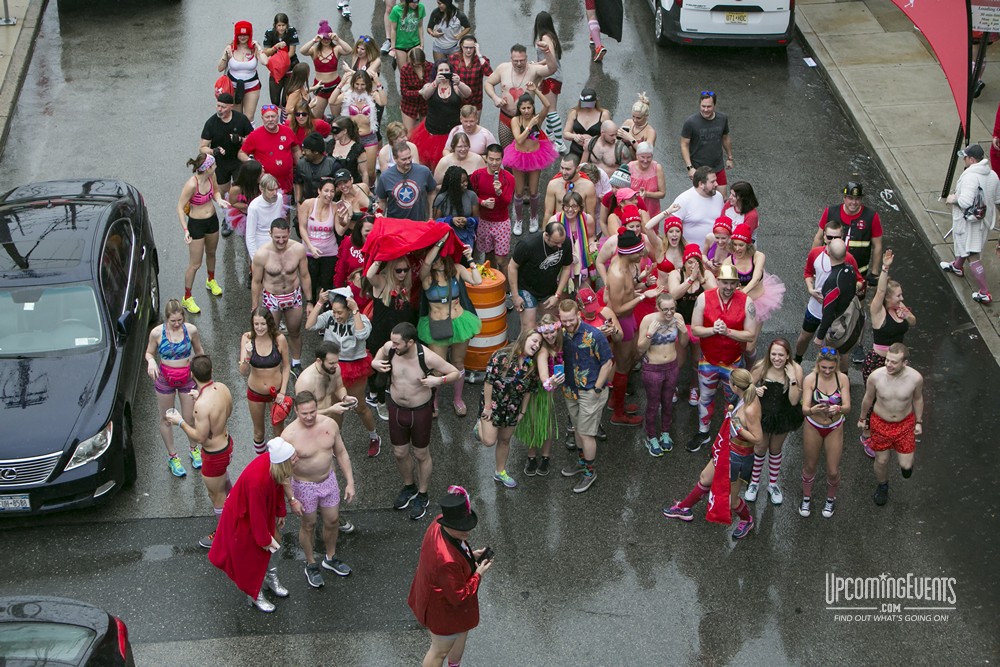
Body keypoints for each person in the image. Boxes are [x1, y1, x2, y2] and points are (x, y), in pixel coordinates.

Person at [372, 322, 461, 520]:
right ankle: (409, 486)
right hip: (396, 408)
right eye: (392, 342)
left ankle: (422, 494)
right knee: (399, 452)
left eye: (397, 343)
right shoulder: (391, 348)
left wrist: (438, 381)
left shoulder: (426, 356)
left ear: (410, 342)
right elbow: (380, 351)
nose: (392, 346)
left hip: (420, 411)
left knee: (421, 454)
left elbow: (455, 372)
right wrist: (375, 362)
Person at [662, 369, 761, 540]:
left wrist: (738, 427)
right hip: (727, 449)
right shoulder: (746, 396)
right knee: (705, 478)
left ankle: (747, 520)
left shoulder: (751, 408)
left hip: (740, 458)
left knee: (732, 501)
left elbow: (758, 438)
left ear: (735, 385)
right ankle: (684, 508)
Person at [408, 486, 493, 667]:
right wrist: (478, 575)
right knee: (439, 651)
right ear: (450, 525)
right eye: (462, 529)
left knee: (460, 634)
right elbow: (459, 596)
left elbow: (457, 549)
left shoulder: (439, 522)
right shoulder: (447, 561)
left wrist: (471, 554)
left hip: (441, 603)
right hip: (443, 611)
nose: (467, 533)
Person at [208, 437, 292, 613]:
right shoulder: (258, 481)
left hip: (254, 514)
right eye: (291, 458)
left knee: (273, 545)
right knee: (252, 558)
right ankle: (254, 594)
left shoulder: (271, 465)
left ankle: (270, 578)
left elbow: (277, 486)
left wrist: (280, 511)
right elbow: (256, 514)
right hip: (243, 518)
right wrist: (263, 539)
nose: (295, 460)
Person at [283, 391, 356, 588]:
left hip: (328, 480)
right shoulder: (288, 435)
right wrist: (291, 498)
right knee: (309, 524)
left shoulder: (329, 425)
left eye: (312, 412)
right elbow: (282, 472)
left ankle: (330, 558)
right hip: (304, 485)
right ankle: (311, 563)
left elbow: (341, 452)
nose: (309, 417)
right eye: (304, 413)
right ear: (296, 411)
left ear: (317, 408)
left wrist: (350, 481)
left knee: (332, 520)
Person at [165, 354, 234, 548]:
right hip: (227, 444)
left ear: (191, 375)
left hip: (214, 455)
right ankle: (236, 512)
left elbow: (199, 437)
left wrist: (180, 421)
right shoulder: (222, 388)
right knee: (224, 482)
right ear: (211, 371)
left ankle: (222, 535)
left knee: (216, 496)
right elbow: (226, 410)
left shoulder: (201, 406)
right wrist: (201, 395)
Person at [812, 181, 884, 363]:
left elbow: (877, 246)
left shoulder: (871, 217)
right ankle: (830, 337)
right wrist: (813, 264)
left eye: (857, 199)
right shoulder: (831, 212)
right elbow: (819, 237)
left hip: (857, 275)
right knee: (830, 305)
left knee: (856, 309)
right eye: (850, 198)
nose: (853, 202)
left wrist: (874, 273)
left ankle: (856, 343)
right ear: (844, 197)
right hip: (832, 272)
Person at [689, 264, 757, 452]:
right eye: (725, 283)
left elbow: (750, 335)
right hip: (708, 360)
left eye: (732, 283)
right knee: (705, 397)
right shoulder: (704, 298)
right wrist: (712, 330)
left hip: (733, 362)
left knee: (733, 400)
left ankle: (729, 433)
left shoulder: (746, 301)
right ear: (718, 281)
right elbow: (695, 329)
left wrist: (728, 332)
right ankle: (703, 432)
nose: (728, 287)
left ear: (737, 283)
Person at [306, 292, 382, 457]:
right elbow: (309, 326)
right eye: (334, 312)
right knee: (336, 408)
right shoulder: (330, 316)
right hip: (333, 367)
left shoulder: (361, 319)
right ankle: (335, 439)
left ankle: (374, 436)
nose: (336, 315)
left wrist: (356, 312)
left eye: (340, 312)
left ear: (349, 309)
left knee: (359, 407)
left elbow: (362, 335)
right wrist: (319, 302)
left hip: (354, 366)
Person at [418, 234, 483, 416]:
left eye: (439, 256)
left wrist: (470, 258)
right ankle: (434, 401)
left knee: (457, 363)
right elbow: (425, 265)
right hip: (436, 326)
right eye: (432, 256)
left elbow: (477, 281)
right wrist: (438, 244)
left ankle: (458, 399)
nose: (434, 260)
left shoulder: (456, 269)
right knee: (437, 368)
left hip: (460, 323)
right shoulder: (426, 277)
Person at [860, 250, 916, 457]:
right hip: (878, 362)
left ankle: (891, 431)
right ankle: (866, 433)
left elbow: (914, 322)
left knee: (894, 398)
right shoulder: (879, 311)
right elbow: (880, 291)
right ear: (888, 298)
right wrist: (885, 268)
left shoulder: (900, 308)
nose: (902, 298)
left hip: (898, 362)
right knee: (874, 398)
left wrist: (907, 316)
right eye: (898, 295)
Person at [558, 299, 614, 493]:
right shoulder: (561, 334)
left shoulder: (594, 335)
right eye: (563, 320)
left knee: (585, 433)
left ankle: (590, 472)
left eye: (571, 320)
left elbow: (608, 362)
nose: (567, 324)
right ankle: (582, 463)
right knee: (577, 429)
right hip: (569, 390)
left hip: (590, 390)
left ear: (579, 315)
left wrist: (597, 388)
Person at [858, 343, 924, 506]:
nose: (888, 364)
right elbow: (868, 398)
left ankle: (906, 466)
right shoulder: (876, 376)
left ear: (905, 363)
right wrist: (862, 418)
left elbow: (917, 398)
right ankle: (883, 486)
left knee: (906, 465)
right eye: (887, 360)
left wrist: (919, 421)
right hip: (880, 423)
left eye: (894, 362)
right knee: (881, 461)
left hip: (905, 423)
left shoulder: (915, 378)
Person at [145, 300, 206, 478]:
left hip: (187, 379)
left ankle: (194, 449)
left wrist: (204, 377)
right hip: (165, 380)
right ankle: (173, 457)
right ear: (167, 319)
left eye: (180, 320)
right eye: (173, 321)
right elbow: (149, 352)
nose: (177, 324)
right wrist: (151, 361)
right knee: (167, 418)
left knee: (189, 418)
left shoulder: (191, 330)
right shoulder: (157, 333)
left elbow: (199, 351)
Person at [477, 329, 542, 488]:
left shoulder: (532, 365)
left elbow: (528, 391)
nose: (536, 345)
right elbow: (489, 381)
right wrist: (487, 408)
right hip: (492, 405)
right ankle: (478, 426)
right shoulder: (502, 356)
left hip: (513, 408)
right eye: (534, 340)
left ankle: (500, 472)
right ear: (524, 338)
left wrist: (522, 412)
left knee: (505, 440)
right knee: (489, 441)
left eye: (539, 344)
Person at [604, 229, 656, 426]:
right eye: (639, 251)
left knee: (630, 357)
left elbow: (629, 291)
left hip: (629, 316)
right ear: (628, 252)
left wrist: (642, 282)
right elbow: (617, 308)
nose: (642, 254)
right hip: (621, 319)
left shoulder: (628, 265)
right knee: (624, 365)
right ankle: (619, 413)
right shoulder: (617, 272)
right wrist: (644, 296)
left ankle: (615, 401)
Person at [793, 220, 861, 363]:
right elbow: (807, 273)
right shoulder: (815, 253)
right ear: (824, 236)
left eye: (837, 238)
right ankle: (797, 360)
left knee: (838, 348)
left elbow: (860, 281)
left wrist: (849, 290)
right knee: (804, 337)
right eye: (830, 237)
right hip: (815, 308)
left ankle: (840, 377)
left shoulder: (848, 258)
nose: (832, 241)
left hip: (836, 315)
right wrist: (811, 289)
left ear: (842, 238)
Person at [746, 338, 803, 506]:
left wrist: (792, 379)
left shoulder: (796, 370)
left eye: (781, 355)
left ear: (787, 356)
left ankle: (772, 484)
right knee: (760, 447)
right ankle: (754, 483)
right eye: (774, 354)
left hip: (783, 415)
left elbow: (794, 401)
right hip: (762, 415)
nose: (777, 358)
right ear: (769, 354)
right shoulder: (761, 366)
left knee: (775, 449)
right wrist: (755, 391)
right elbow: (745, 388)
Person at [941, 143, 1000, 304]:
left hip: (969, 224)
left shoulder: (970, 177)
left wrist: (953, 199)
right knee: (965, 247)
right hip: (984, 223)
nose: (964, 160)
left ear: (972, 159)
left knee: (972, 255)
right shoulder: (993, 175)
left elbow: (965, 202)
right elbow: (998, 200)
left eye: (965, 158)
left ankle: (984, 292)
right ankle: (957, 267)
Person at [251, 218, 312, 370]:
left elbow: (305, 275)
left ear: (289, 233)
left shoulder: (298, 249)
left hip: (293, 296)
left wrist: (310, 301)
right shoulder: (261, 254)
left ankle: (296, 363)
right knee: (272, 333)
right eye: (277, 237)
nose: (281, 241)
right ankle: (275, 365)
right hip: (272, 298)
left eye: (284, 237)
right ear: (270, 233)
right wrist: (255, 307)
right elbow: (256, 282)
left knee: (295, 331)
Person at [366, 257, 421, 419]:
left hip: (400, 337)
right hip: (381, 336)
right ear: (391, 270)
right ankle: (380, 402)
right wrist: (379, 257)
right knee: (381, 372)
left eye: (406, 270)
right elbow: (369, 276)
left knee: (396, 368)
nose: (403, 273)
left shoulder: (407, 285)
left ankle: (383, 394)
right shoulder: (382, 282)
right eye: (398, 270)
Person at [799, 347, 850, 518]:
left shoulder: (842, 378)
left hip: (834, 427)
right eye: (823, 367)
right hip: (813, 425)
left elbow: (848, 407)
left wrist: (839, 408)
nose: (827, 371)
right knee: (810, 466)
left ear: (836, 365)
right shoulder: (810, 379)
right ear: (818, 365)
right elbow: (805, 409)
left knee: (833, 470)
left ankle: (830, 498)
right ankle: (806, 497)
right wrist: (814, 409)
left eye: (831, 367)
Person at [176, 154, 230, 314]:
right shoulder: (192, 185)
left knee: (212, 253)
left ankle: (211, 280)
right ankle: (187, 297)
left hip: (211, 220)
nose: (216, 167)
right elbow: (180, 207)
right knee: (195, 264)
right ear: (207, 168)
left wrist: (219, 200)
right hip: (196, 225)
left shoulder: (211, 177)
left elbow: (216, 192)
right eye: (213, 165)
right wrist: (185, 229)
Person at [636, 293, 688, 456]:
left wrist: (684, 331)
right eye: (665, 309)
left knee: (668, 402)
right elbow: (640, 348)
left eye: (672, 309)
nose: (669, 313)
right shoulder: (648, 320)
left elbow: (684, 343)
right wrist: (650, 333)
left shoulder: (677, 317)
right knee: (653, 404)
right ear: (658, 307)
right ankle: (651, 436)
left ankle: (665, 432)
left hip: (672, 366)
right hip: (653, 369)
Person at [503, 85, 557, 235]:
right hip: (518, 156)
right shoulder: (516, 120)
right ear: (519, 108)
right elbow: (519, 140)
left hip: (535, 156)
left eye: (529, 108)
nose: (526, 111)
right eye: (523, 108)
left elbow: (547, 105)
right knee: (519, 192)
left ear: (532, 108)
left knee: (533, 191)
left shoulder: (537, 118)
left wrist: (536, 91)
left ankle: (534, 217)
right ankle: (518, 219)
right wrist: (530, 127)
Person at [668, 244, 717, 407]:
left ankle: (694, 387)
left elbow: (716, 295)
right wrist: (690, 279)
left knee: (697, 359)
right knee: (679, 361)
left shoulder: (707, 274)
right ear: (684, 263)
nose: (693, 266)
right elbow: (673, 295)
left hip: (699, 325)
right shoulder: (676, 274)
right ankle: (672, 386)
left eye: (696, 262)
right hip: (680, 324)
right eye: (689, 262)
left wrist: (701, 279)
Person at [484, 43, 557, 150]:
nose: (519, 63)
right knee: (507, 151)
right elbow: (488, 83)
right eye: (516, 61)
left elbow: (552, 69)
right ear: (511, 58)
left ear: (526, 58)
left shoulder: (534, 69)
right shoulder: (503, 68)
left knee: (530, 151)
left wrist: (547, 52)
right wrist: (495, 98)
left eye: (522, 60)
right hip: (506, 118)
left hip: (528, 120)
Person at [240, 308, 291, 455]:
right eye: (256, 324)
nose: (259, 328)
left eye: (263, 324)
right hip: (255, 392)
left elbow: (286, 366)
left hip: (276, 394)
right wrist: (248, 356)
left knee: (279, 432)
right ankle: (261, 463)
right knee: (258, 433)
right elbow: (243, 371)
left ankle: (280, 464)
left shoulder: (279, 339)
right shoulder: (247, 338)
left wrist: (283, 392)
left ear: (269, 323)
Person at [520, 315, 566, 476]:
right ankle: (531, 456)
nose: (549, 336)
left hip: (549, 393)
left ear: (557, 328)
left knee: (546, 424)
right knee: (534, 422)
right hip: (536, 390)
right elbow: (544, 378)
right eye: (545, 333)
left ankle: (545, 457)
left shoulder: (561, 342)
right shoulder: (543, 351)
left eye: (552, 331)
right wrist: (551, 381)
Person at [508, 221, 574, 330]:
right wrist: (515, 295)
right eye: (556, 242)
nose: (560, 246)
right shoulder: (528, 244)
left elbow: (567, 268)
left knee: (551, 326)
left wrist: (557, 295)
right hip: (526, 288)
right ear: (547, 236)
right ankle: (525, 346)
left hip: (548, 288)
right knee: (529, 328)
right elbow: (512, 267)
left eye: (561, 242)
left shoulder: (565, 242)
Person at [411, 59, 472, 173]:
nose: (444, 72)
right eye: (441, 70)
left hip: (452, 131)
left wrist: (459, 82)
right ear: (436, 72)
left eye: (446, 70)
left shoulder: (455, 86)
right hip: (433, 132)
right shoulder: (430, 85)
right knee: (434, 165)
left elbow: (468, 93)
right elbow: (425, 95)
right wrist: (435, 83)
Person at [813, 239, 864, 369]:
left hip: (837, 328)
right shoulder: (850, 269)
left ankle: (832, 383)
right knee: (843, 355)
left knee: (829, 358)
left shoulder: (832, 281)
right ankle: (844, 378)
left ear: (828, 253)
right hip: (850, 320)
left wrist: (819, 336)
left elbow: (828, 312)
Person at [331, 71, 387, 184]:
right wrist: (341, 84)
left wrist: (378, 82)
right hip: (353, 138)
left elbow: (383, 102)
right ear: (353, 83)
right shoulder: (347, 95)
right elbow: (332, 101)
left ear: (367, 84)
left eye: (362, 84)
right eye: (357, 84)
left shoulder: (372, 94)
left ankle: (370, 189)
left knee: (370, 172)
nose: (360, 87)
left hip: (369, 138)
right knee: (355, 170)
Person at [469, 144, 516, 276]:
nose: (494, 163)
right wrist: (482, 202)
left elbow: (508, 201)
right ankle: (492, 285)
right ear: (486, 158)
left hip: (501, 223)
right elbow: (470, 195)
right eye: (491, 159)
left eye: (497, 159)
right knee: (489, 255)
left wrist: (499, 192)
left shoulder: (509, 178)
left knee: (501, 259)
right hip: (483, 221)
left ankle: (507, 290)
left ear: (502, 159)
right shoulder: (477, 175)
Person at [725, 223, 785, 325]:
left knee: (751, 340)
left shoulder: (758, 256)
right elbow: (724, 284)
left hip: (758, 302)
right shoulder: (727, 262)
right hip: (737, 303)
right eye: (734, 244)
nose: (737, 248)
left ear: (748, 245)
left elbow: (756, 278)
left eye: (741, 245)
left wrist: (743, 292)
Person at [199, 93, 254, 202]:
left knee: (240, 188)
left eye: (223, 107)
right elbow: (202, 147)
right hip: (220, 161)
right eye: (218, 106)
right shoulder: (211, 123)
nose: (219, 109)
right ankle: (227, 212)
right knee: (223, 190)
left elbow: (253, 141)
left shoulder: (241, 119)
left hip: (238, 159)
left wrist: (240, 139)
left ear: (231, 107)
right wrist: (213, 151)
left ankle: (239, 210)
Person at [239, 105, 302, 197]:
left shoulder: (287, 131)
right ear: (262, 118)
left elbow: (296, 150)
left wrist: (301, 166)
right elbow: (241, 153)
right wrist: (252, 162)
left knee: (285, 209)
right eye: (267, 117)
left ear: (278, 116)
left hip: (286, 184)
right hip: (265, 187)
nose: (270, 119)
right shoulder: (255, 135)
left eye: (273, 116)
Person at [680, 91, 733, 196]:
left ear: (714, 105)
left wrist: (730, 158)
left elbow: (725, 138)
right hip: (700, 170)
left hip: (718, 167)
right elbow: (684, 144)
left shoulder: (722, 119)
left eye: (709, 106)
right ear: (699, 104)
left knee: (722, 199)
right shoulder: (691, 122)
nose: (705, 109)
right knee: (704, 199)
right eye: (703, 106)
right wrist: (690, 168)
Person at [297, 177, 341, 302]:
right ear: (319, 191)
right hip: (310, 251)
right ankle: (311, 304)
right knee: (311, 281)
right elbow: (302, 227)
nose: (329, 194)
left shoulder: (335, 207)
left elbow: (339, 231)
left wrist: (345, 219)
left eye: (332, 191)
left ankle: (326, 309)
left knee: (327, 283)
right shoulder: (308, 204)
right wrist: (310, 247)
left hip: (330, 251)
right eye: (326, 191)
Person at [299, 22, 352, 120]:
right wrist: (314, 40)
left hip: (335, 86)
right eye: (323, 38)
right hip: (320, 88)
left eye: (328, 38)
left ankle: (335, 133)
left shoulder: (336, 49)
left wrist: (338, 39)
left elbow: (349, 50)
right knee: (316, 118)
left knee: (337, 118)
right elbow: (302, 51)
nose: (326, 40)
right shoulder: (314, 50)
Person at [217, 21, 269, 122]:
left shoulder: (254, 48)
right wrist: (225, 56)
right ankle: (236, 137)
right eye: (240, 35)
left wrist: (259, 47)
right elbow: (220, 68)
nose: (242, 37)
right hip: (234, 87)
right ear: (236, 35)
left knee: (248, 118)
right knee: (236, 116)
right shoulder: (230, 48)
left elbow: (265, 62)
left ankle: (249, 137)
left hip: (252, 86)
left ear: (250, 35)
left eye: (245, 35)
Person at [376, 141, 438, 221]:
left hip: (419, 223)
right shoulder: (385, 177)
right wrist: (380, 220)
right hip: (395, 225)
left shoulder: (424, 172)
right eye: (404, 159)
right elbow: (382, 201)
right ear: (395, 159)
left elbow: (432, 193)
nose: (408, 162)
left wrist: (431, 216)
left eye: (409, 157)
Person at [668, 166, 725, 249]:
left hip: (714, 252)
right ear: (701, 184)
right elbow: (671, 228)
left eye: (716, 180)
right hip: (691, 255)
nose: (716, 184)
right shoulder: (683, 200)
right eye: (712, 182)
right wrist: (687, 248)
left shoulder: (719, 197)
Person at [549, 191, 598, 290]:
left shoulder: (587, 219)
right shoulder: (555, 220)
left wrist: (592, 243)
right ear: (563, 206)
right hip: (562, 264)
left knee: (584, 296)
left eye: (574, 206)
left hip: (582, 263)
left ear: (580, 207)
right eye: (567, 206)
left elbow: (591, 236)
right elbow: (548, 243)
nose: (570, 210)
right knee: (563, 299)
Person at [533, 11, 566, 153]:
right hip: (555, 76)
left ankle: (559, 142)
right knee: (550, 108)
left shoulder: (545, 37)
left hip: (550, 76)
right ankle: (551, 135)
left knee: (551, 110)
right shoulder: (551, 36)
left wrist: (537, 64)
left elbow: (550, 56)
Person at [542, 152, 598, 223]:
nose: (563, 172)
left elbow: (590, 214)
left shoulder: (588, 186)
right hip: (559, 227)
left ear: (577, 169)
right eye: (562, 168)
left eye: (568, 169)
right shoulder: (553, 184)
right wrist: (545, 232)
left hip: (579, 227)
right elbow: (548, 213)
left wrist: (591, 234)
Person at [245, 175, 288, 262]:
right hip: (261, 244)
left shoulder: (279, 198)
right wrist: (255, 258)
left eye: (276, 189)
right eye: (271, 190)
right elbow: (250, 235)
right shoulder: (254, 207)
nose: (275, 193)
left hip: (277, 241)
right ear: (262, 189)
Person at [262, 13, 301, 107]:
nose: (281, 28)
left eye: (283, 25)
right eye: (279, 25)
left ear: (287, 25)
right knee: (275, 101)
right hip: (276, 69)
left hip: (290, 67)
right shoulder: (269, 33)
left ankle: (284, 119)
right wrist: (276, 47)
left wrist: (282, 63)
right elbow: (266, 52)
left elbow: (291, 52)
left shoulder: (291, 31)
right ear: (275, 25)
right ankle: (275, 117)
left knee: (286, 101)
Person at [563, 88, 611, 160]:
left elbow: (610, 136)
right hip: (575, 151)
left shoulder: (604, 114)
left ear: (595, 102)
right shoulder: (574, 113)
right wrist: (574, 136)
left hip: (595, 152)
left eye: (590, 104)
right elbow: (566, 133)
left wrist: (593, 140)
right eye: (585, 104)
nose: (587, 107)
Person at [434, 166, 480, 239]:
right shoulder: (442, 198)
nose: (465, 184)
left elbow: (477, 220)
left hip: (466, 237)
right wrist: (451, 220)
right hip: (446, 238)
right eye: (462, 182)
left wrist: (467, 220)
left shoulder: (472, 195)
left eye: (466, 181)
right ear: (453, 184)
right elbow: (436, 222)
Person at [449, 35, 493, 110]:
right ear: (462, 47)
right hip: (458, 99)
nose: (468, 50)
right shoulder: (453, 58)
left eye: (471, 47)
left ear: (475, 47)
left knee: (475, 121)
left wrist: (479, 55)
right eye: (466, 47)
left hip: (475, 100)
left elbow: (490, 74)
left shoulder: (481, 60)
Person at [295, 132, 340, 204]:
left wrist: (327, 194)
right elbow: (298, 183)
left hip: (328, 204)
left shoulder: (333, 165)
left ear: (316, 152)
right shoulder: (301, 164)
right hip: (308, 203)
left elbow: (340, 186)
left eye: (306, 150)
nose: (303, 153)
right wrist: (298, 202)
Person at [328, 116, 369, 187]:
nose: (333, 133)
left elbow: (364, 173)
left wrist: (364, 191)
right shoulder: (330, 144)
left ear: (344, 131)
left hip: (351, 186)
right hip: (332, 187)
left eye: (335, 130)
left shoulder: (357, 148)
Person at [226, 159, 263, 238]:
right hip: (245, 214)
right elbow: (233, 203)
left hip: (262, 213)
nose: (263, 172)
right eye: (261, 172)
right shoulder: (236, 189)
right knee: (249, 236)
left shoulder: (263, 183)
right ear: (252, 176)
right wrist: (249, 206)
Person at [400, 48, 433, 132]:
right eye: (414, 64)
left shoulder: (431, 67)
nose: (416, 66)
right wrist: (419, 92)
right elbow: (404, 92)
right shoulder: (405, 70)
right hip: (409, 105)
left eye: (419, 64)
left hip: (426, 105)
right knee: (409, 133)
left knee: (426, 132)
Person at [629, 142, 665, 216]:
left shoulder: (657, 168)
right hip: (633, 210)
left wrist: (646, 194)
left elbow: (662, 193)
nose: (645, 160)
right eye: (643, 157)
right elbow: (624, 191)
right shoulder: (629, 167)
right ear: (637, 156)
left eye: (649, 157)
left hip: (651, 211)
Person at [389, 0, 427, 71]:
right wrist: (393, 47)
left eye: (417, 2)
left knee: (414, 70)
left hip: (414, 44)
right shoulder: (396, 9)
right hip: (400, 46)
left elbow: (420, 26)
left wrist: (422, 44)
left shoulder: (421, 7)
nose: (415, 4)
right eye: (413, 2)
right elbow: (393, 30)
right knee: (404, 71)